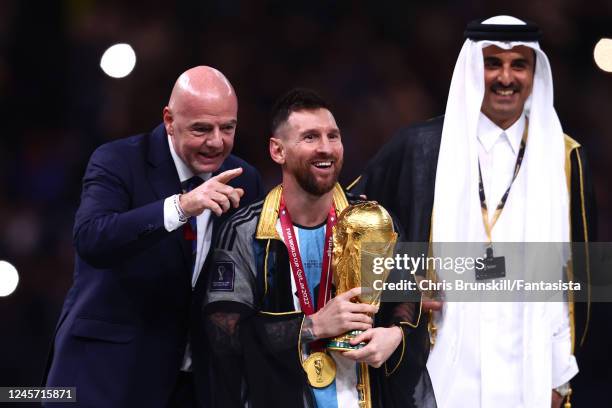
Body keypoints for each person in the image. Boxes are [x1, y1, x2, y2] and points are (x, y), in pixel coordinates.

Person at [350, 16, 597, 408]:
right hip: (438, 374)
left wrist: (560, 377)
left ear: (535, 73)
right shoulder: (421, 148)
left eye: (519, 64)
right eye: (492, 63)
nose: (506, 77)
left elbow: (576, 280)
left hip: (528, 378)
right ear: (471, 68)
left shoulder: (564, 156)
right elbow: (349, 225)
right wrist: (403, 284)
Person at [43, 66, 263, 408]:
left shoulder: (243, 178)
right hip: (106, 379)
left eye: (227, 128)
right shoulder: (118, 161)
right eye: (202, 129)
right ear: (169, 120)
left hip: (194, 385)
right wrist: (181, 207)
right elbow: (91, 239)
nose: (216, 141)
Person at [202, 88, 436, 408]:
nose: (326, 148)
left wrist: (394, 335)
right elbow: (223, 334)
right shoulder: (244, 231)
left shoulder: (375, 221)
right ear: (277, 150)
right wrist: (313, 326)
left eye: (333, 136)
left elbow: (408, 298)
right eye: (310, 137)